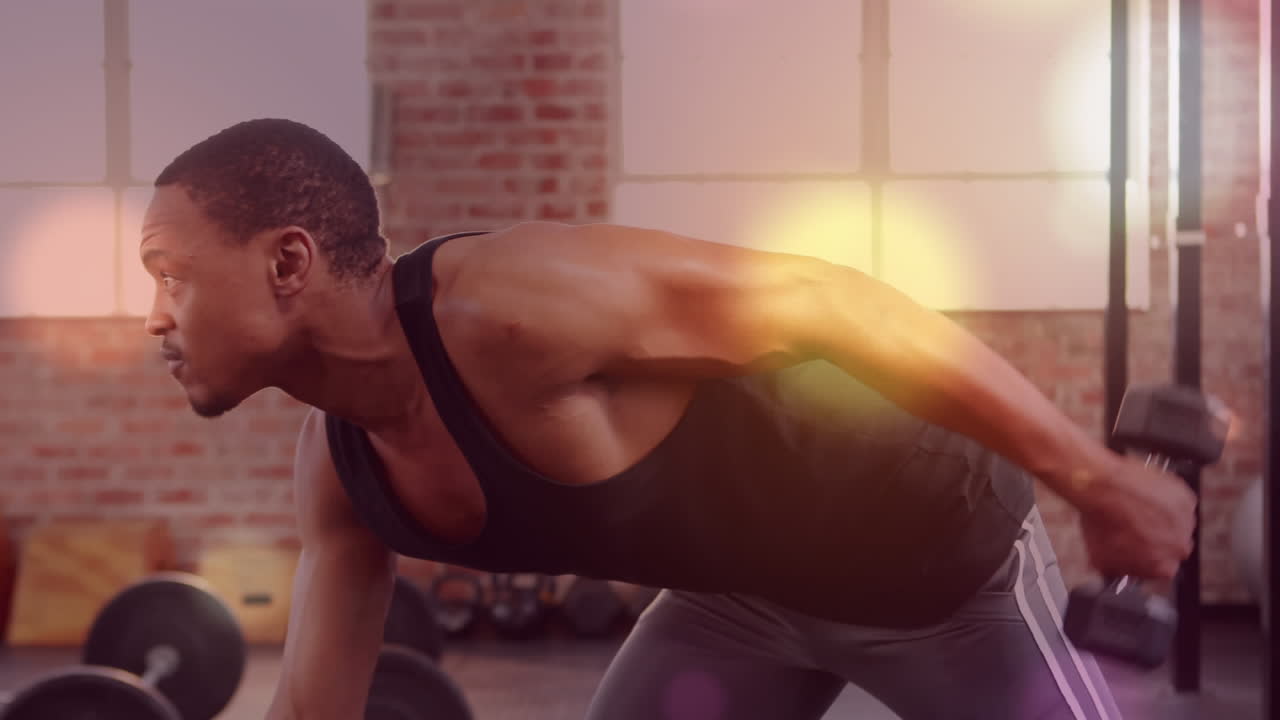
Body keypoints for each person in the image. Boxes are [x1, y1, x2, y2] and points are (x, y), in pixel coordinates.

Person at [139, 118, 1194, 720]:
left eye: (169, 277)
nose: (153, 318)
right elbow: (312, 715)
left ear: (287, 263)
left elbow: (834, 302)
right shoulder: (340, 470)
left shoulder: (508, 305)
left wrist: (1092, 480)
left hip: (935, 570)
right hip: (737, 602)